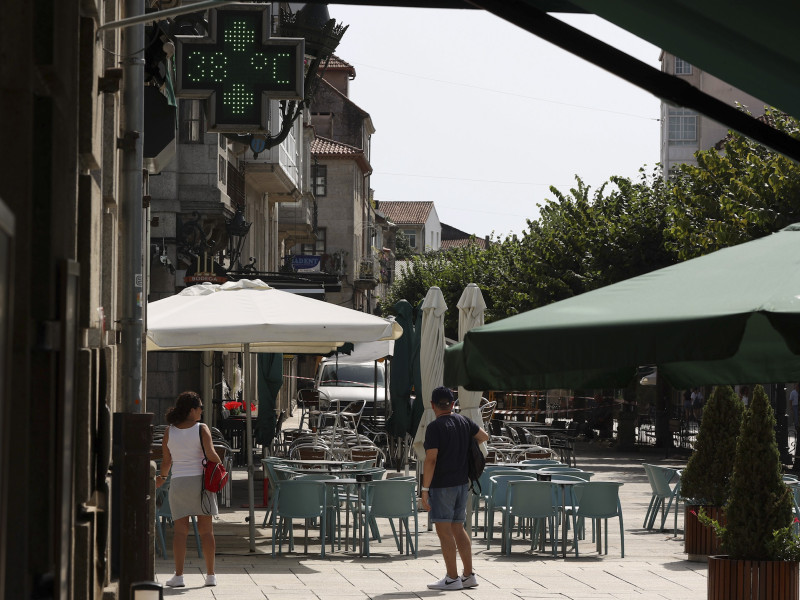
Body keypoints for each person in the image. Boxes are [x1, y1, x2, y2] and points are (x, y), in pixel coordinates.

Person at [420, 387, 490, 591]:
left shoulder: (434, 427)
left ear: (433, 405)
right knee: (458, 528)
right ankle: (468, 575)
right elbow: (484, 436)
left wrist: (425, 489)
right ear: (452, 404)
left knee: (444, 532)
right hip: (462, 483)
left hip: (442, 485)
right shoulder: (464, 421)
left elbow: (431, 459)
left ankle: (452, 578)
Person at [156, 391, 222, 588]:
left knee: (180, 532)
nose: (202, 410)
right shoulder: (201, 429)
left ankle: (179, 576)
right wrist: (220, 463)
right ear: (192, 410)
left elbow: (167, 462)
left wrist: (162, 478)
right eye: (200, 407)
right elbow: (211, 455)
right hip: (200, 483)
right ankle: (210, 575)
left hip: (178, 483)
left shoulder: (170, 431)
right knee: (206, 531)